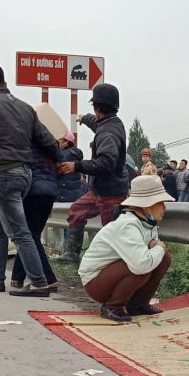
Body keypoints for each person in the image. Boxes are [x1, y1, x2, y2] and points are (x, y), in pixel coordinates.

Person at [0, 64, 61, 296]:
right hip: (26, 173)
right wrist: (60, 159)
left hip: (6, 173)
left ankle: (39, 283)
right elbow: (47, 140)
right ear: (4, 82)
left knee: (20, 232)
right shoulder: (25, 108)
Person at [79, 175, 174, 323]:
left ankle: (138, 305)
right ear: (147, 205)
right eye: (161, 202)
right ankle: (112, 306)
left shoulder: (147, 223)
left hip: (113, 273)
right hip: (95, 282)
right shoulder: (128, 224)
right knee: (141, 267)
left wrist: (158, 250)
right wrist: (159, 248)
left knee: (164, 258)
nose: (164, 207)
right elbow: (141, 264)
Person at [56, 83, 129, 267]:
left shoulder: (108, 133)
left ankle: (114, 268)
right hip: (98, 190)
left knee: (111, 233)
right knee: (76, 211)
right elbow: (96, 123)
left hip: (111, 194)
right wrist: (84, 118)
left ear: (97, 108)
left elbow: (107, 163)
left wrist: (76, 166)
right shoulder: (110, 122)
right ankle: (72, 255)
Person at [9, 105, 64, 290]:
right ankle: (17, 277)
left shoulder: (28, 140)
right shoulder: (53, 143)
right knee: (31, 234)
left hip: (32, 191)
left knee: (28, 235)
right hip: (50, 192)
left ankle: (49, 279)